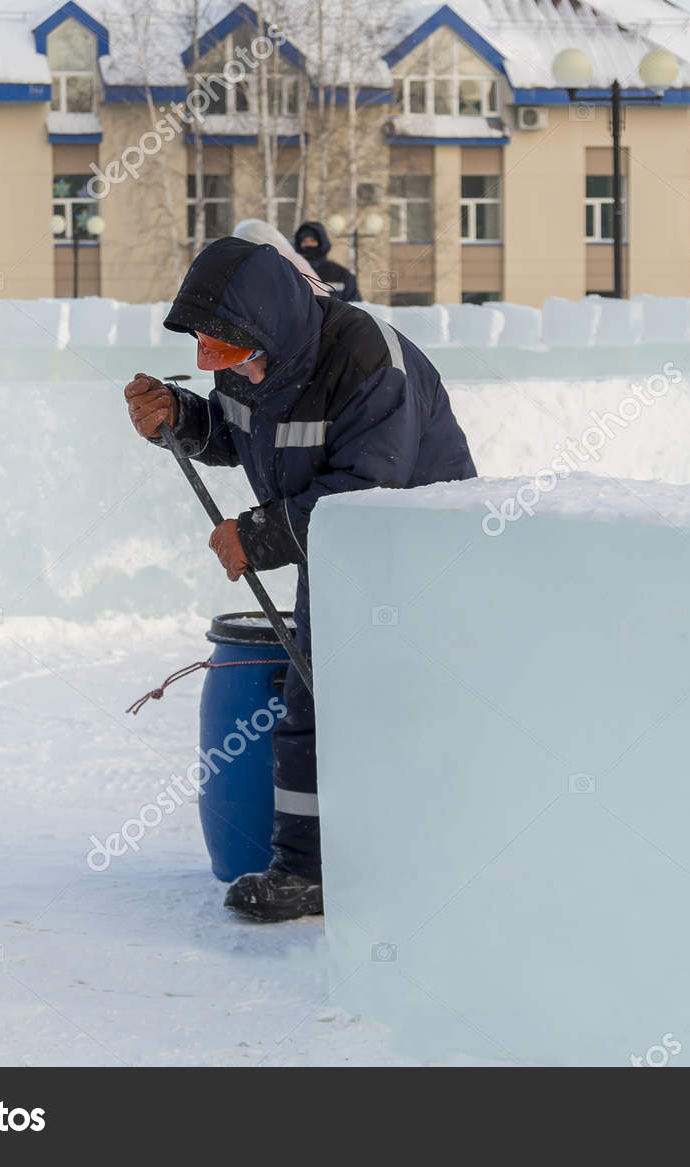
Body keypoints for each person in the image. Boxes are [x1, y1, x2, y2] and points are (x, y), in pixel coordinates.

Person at [123, 237, 476, 921]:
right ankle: (307, 871)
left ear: (270, 328)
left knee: (399, 711)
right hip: (335, 561)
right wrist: (182, 417)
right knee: (314, 708)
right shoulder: (251, 355)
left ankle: (429, 858)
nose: (234, 374)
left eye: (237, 359)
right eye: (214, 359)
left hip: (419, 563)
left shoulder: (370, 361)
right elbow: (240, 436)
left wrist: (256, 536)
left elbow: (367, 497)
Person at [292, 220, 361, 301]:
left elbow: (355, 306)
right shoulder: (292, 271)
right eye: (304, 241)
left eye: (312, 240)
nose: (308, 244)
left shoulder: (341, 275)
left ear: (322, 243)